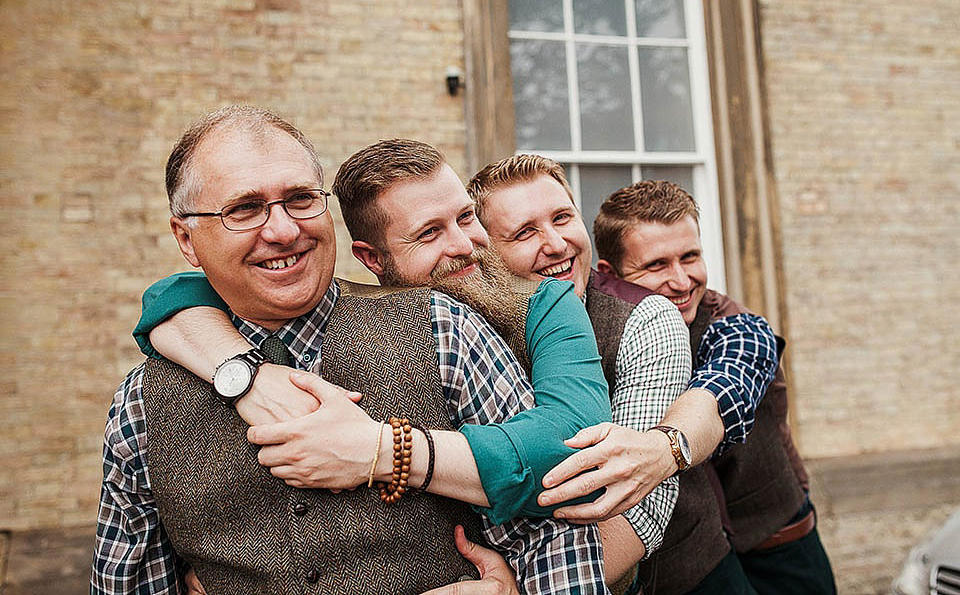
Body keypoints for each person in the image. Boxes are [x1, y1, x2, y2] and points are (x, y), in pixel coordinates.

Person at [132, 143, 693, 592]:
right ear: (373, 261)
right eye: (429, 233)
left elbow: (574, 451)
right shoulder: (380, 317)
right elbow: (175, 293)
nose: (466, 244)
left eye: (467, 217)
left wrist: (381, 451)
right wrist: (244, 370)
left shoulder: (545, 302)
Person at [583, 180, 837, 594]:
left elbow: (726, 387)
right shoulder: (611, 329)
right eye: (657, 266)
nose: (682, 281)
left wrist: (663, 448)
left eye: (690, 257)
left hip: (777, 549)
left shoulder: (736, 326)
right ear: (611, 274)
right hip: (699, 563)